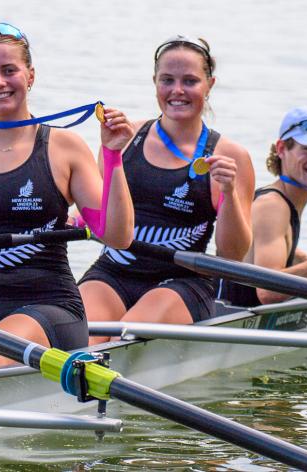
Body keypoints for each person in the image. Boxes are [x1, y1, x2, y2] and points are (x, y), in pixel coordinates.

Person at [0, 23, 135, 372]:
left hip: (47, 305)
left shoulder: (64, 148)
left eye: (9, 71)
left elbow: (117, 236)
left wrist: (112, 156)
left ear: (30, 76)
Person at [79, 35, 255, 344]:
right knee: (78, 337)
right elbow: (100, 217)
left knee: (124, 337)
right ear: (154, 82)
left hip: (183, 282)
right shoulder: (123, 138)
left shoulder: (230, 156)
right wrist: (76, 217)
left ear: (210, 84)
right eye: (167, 80)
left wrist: (228, 192)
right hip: (113, 272)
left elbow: (233, 254)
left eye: (190, 81)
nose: (177, 91)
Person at [217, 106, 307, 306]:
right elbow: (268, 292)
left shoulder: (280, 198)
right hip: (225, 322)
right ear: (282, 149)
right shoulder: (272, 206)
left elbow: (269, 242)